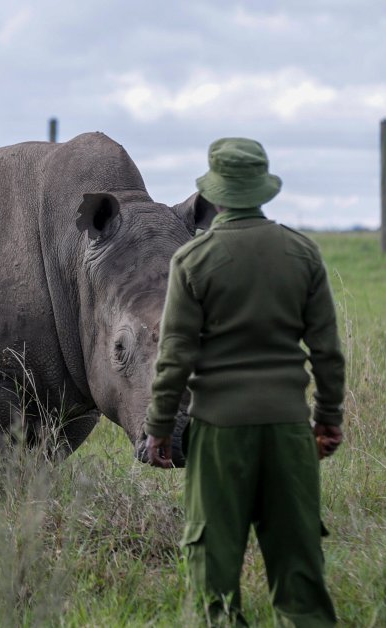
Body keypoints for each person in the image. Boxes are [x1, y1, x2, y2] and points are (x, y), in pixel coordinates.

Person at [143, 137, 345, 626]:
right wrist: (327, 421)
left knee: (215, 582)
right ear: (262, 190)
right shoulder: (303, 254)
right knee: (300, 576)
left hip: (218, 433)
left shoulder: (192, 261)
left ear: (213, 196)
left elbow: (174, 358)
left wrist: (159, 427)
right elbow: (327, 353)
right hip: (288, 429)